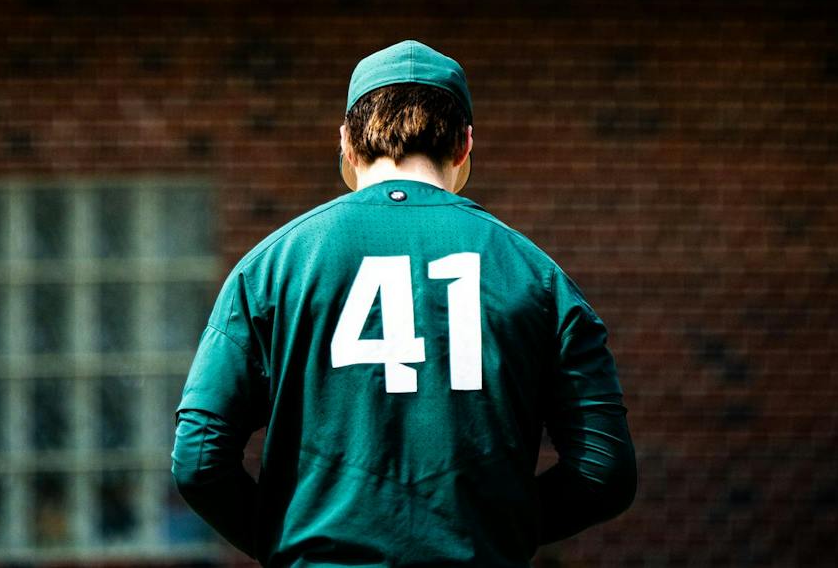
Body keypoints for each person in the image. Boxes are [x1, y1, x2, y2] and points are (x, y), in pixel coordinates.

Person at [171, 39, 636, 567]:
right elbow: (604, 470)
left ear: (346, 142)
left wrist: (290, 543)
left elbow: (200, 461)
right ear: (464, 144)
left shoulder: (271, 268)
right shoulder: (538, 278)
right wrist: (497, 530)